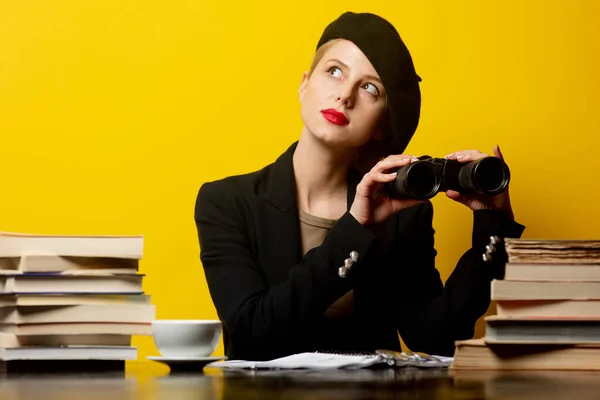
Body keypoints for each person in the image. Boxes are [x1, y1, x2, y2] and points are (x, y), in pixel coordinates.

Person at [194, 11, 525, 361]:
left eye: (370, 88)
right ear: (305, 84)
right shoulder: (226, 202)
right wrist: (354, 228)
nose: (345, 96)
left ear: (382, 125)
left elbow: (434, 338)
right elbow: (251, 334)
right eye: (334, 71)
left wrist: (494, 224)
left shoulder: (400, 213)